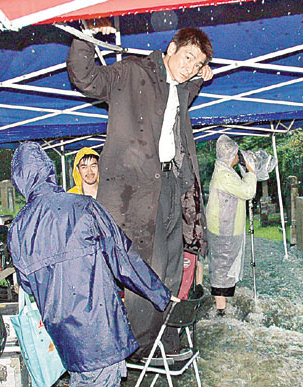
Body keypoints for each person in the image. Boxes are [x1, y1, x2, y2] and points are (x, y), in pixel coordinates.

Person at [67, 20, 213, 359]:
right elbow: (86, 78)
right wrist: (86, 36)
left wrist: (200, 77)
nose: (190, 67)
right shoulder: (133, 72)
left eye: (197, 63)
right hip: (135, 193)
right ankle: (143, 348)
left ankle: (168, 341)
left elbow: (183, 92)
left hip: (171, 186)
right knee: (147, 271)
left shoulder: (182, 86)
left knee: (173, 267)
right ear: (171, 49)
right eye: (187, 58)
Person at [7, 142, 179, 387]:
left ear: (20, 181)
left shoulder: (18, 229)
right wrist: (160, 294)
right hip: (100, 334)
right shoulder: (84, 206)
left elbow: (28, 284)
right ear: (49, 170)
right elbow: (123, 259)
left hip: (64, 337)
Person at [206, 134, 256, 316]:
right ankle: (221, 311)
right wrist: (251, 172)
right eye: (236, 154)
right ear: (230, 155)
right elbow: (247, 192)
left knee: (223, 266)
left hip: (223, 226)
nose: (238, 157)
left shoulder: (223, 170)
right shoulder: (224, 175)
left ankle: (222, 305)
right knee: (222, 267)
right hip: (224, 229)